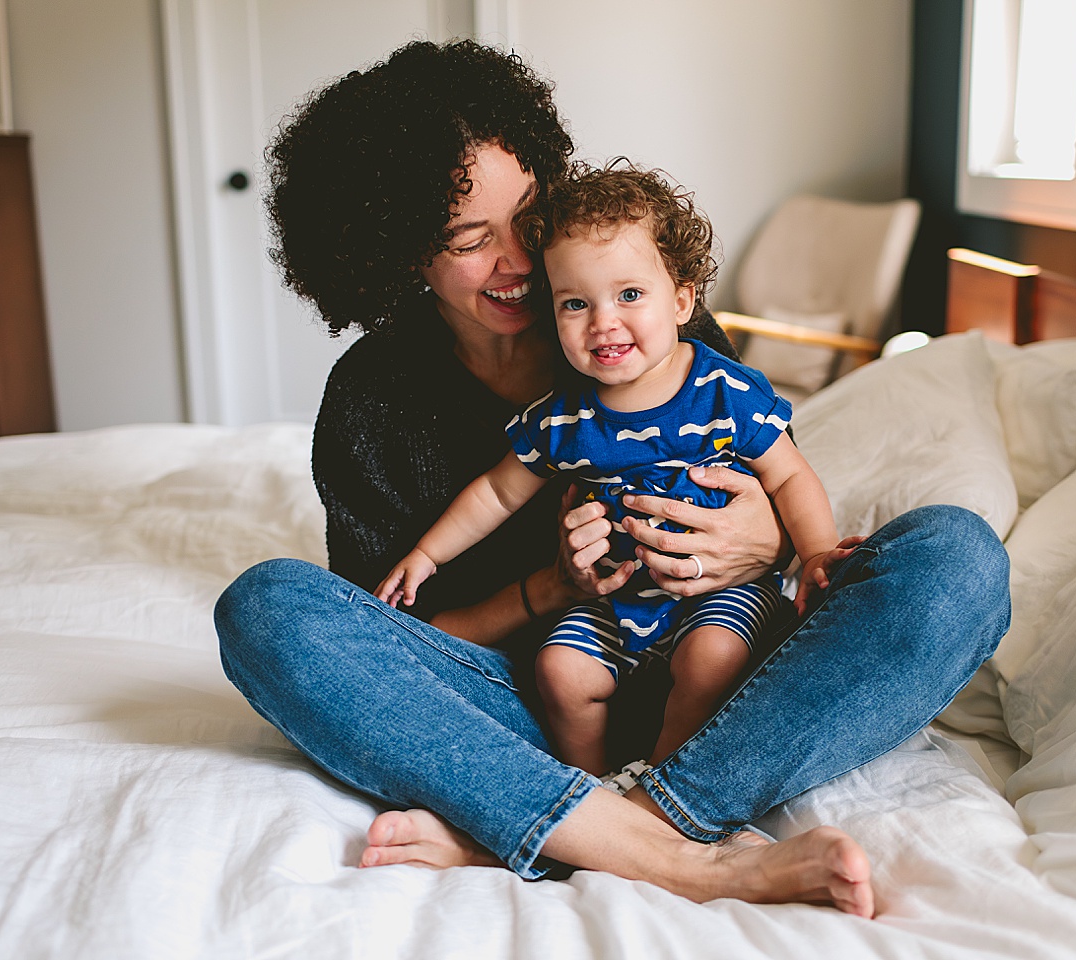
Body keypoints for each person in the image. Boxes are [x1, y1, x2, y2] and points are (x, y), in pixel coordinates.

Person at [215, 38, 1011, 918]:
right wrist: (550, 588)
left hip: (726, 679)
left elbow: (768, 476)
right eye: (471, 240)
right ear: (402, 255)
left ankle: (577, 832)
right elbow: (404, 640)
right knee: (267, 611)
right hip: (534, 707)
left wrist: (768, 543)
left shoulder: (647, 311)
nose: (522, 260)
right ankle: (684, 853)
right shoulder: (372, 401)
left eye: (531, 214)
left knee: (958, 560)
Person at [376, 164, 863, 778]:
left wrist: (814, 553)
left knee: (711, 658)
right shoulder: (563, 416)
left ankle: (659, 789)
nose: (603, 321)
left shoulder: (722, 389)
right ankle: (593, 785)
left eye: (630, 295)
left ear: (682, 300)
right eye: (575, 303)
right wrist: (427, 555)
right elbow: (497, 492)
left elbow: (789, 476)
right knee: (559, 669)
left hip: (718, 594)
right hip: (615, 600)